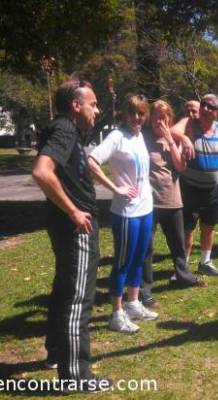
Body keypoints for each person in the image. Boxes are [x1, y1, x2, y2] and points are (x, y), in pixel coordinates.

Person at [32, 80, 111, 390]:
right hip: (76, 228)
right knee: (78, 298)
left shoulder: (65, 130)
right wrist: (74, 211)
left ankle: (56, 352)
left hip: (67, 227)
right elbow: (41, 172)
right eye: (92, 103)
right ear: (75, 105)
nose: (97, 109)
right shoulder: (65, 130)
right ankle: (76, 375)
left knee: (64, 290)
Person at [88, 95, 158, 334]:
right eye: (133, 113)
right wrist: (115, 187)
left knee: (140, 257)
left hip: (146, 208)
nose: (137, 118)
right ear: (125, 115)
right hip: (126, 212)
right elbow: (92, 161)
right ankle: (116, 315)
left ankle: (133, 303)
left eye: (141, 114)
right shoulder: (117, 137)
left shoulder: (139, 136)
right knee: (123, 261)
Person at [172, 94, 218, 276]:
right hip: (189, 187)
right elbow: (172, 130)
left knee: (209, 225)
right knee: (187, 228)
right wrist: (186, 139)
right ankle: (183, 266)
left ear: (217, 112)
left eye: (211, 107)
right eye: (203, 105)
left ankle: (205, 262)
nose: (205, 109)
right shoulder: (190, 123)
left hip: (213, 189)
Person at [141, 100, 203, 308]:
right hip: (149, 202)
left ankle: (183, 276)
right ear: (150, 119)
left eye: (164, 117)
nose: (160, 121)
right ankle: (145, 290)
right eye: (156, 117)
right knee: (146, 247)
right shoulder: (143, 138)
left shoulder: (174, 139)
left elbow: (180, 167)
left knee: (177, 244)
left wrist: (171, 139)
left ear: (170, 119)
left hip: (172, 199)